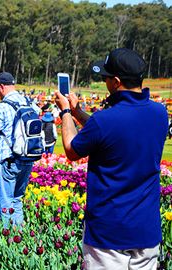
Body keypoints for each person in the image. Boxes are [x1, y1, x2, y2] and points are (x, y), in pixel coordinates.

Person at [54, 48, 167, 269]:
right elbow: (111, 133)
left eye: (105, 78)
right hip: (146, 229)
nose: (104, 82)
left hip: (109, 232)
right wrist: (79, 113)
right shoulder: (159, 113)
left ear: (116, 82)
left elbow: (71, 150)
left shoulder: (104, 120)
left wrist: (66, 112)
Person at [0, 72, 37, 228]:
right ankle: (19, 233)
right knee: (17, 199)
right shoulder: (29, 103)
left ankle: (6, 233)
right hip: (28, 157)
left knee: (5, 200)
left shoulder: (3, 107)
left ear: (2, 87)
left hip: (9, 159)